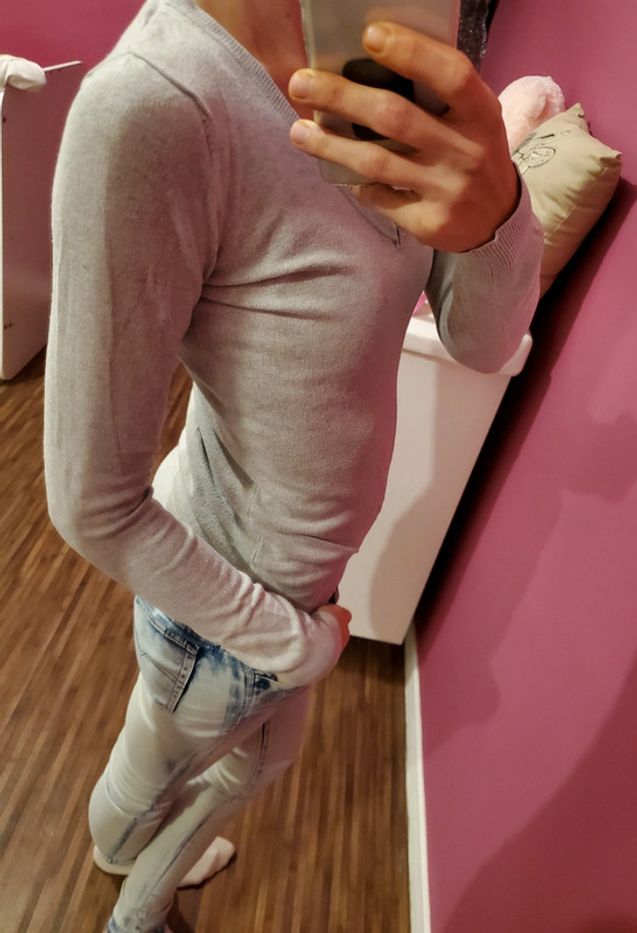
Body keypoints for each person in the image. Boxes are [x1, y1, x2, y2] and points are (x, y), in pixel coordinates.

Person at [43, 0, 543, 930]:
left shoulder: (389, 52)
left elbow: (479, 343)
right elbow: (90, 502)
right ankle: (127, 884)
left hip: (299, 587)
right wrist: (292, 642)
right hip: (218, 606)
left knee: (246, 759)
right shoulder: (157, 105)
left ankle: (133, 848)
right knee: (168, 768)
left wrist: (499, 216)